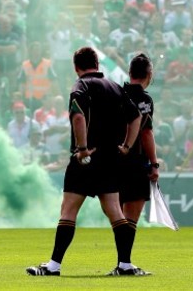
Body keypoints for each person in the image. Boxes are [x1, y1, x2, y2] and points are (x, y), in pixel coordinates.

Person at [26, 47, 143, 277]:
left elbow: (78, 116)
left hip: (86, 158)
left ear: (76, 67)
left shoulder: (81, 86)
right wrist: (127, 146)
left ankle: (53, 266)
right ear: (97, 64)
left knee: (68, 210)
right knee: (115, 212)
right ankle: (125, 265)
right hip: (111, 158)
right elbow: (136, 116)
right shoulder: (115, 87)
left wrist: (82, 149)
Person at [119, 54, 160, 262]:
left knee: (119, 217)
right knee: (131, 217)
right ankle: (124, 263)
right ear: (149, 74)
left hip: (115, 162)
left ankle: (123, 262)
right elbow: (146, 133)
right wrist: (154, 164)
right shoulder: (145, 99)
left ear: (130, 72)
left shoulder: (117, 93)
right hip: (135, 163)